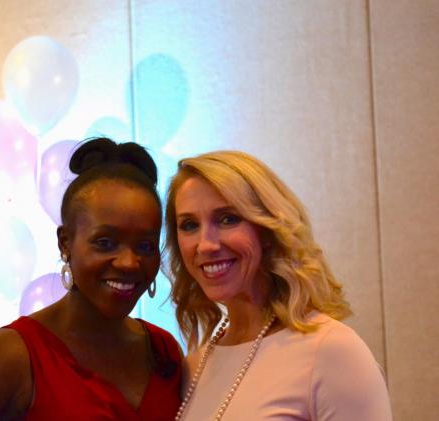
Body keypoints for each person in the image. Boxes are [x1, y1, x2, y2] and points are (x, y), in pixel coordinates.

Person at [0, 138, 181, 420]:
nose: (129, 262)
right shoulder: (16, 353)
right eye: (105, 242)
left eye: (145, 246)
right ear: (65, 243)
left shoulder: (162, 350)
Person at [164, 150, 392, 420]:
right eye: (189, 225)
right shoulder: (195, 366)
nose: (206, 245)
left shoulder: (331, 351)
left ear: (268, 229)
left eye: (227, 219)